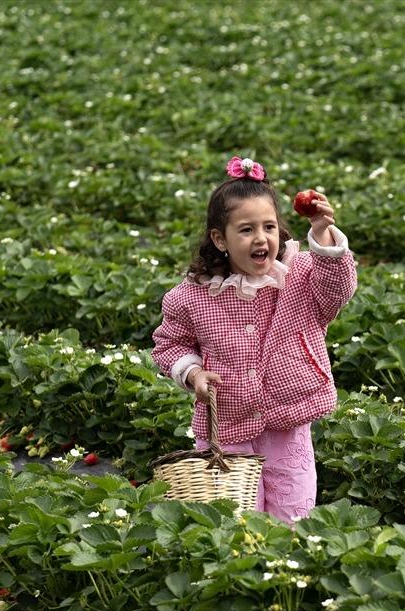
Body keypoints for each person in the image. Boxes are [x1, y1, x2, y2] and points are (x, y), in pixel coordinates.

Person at [151, 155, 356, 524]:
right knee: (233, 522)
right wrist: (193, 373)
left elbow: (337, 290)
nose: (261, 238)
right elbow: (170, 345)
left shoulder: (301, 274)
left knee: (293, 518)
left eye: (269, 227)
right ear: (220, 239)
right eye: (246, 230)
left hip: (288, 426)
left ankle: (281, 577)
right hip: (227, 426)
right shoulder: (193, 296)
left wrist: (323, 235)